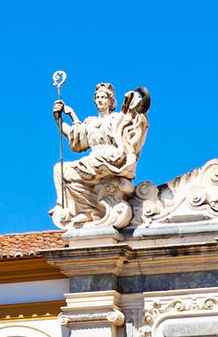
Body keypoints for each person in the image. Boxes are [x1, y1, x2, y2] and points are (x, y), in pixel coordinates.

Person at [51, 83, 151, 228]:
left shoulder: (117, 118)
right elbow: (74, 136)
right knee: (60, 170)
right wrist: (59, 119)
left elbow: (133, 129)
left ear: (110, 101)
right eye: (97, 97)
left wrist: (138, 112)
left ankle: (90, 209)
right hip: (94, 158)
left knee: (75, 168)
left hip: (111, 157)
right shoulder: (91, 122)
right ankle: (88, 210)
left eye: (103, 97)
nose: (99, 100)